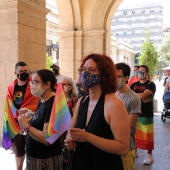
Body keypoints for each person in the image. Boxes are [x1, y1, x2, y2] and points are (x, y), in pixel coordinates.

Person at [64, 53, 130, 170]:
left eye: (92, 70)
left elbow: (123, 148)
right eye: (84, 69)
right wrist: (69, 141)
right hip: (80, 163)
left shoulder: (114, 104)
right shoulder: (81, 102)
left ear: (104, 75)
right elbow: (71, 131)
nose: (85, 73)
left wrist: (88, 137)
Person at [18, 69, 63, 170]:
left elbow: (47, 138)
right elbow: (41, 118)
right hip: (35, 156)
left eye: (35, 82)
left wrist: (26, 126)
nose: (32, 85)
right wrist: (30, 113)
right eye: (31, 82)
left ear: (47, 84)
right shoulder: (42, 100)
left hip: (45, 160)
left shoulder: (52, 103)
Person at [4, 61, 39, 170]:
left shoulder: (34, 85)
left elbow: (39, 102)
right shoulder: (11, 87)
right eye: (21, 71)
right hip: (15, 123)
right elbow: (8, 106)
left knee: (32, 150)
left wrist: (28, 111)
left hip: (31, 123)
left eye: (26, 71)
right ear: (15, 73)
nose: (24, 73)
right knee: (18, 151)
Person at [115, 62, 141, 170]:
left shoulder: (134, 98)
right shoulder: (111, 95)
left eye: (119, 76)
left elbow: (130, 127)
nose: (115, 79)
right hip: (110, 146)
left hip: (126, 147)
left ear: (126, 78)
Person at [130, 65, 156, 165]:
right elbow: (129, 95)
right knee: (134, 133)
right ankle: (134, 151)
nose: (140, 74)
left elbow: (144, 95)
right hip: (135, 112)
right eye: (138, 72)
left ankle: (150, 156)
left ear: (147, 73)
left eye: (142, 72)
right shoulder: (134, 84)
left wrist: (140, 95)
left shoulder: (151, 84)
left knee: (147, 135)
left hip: (146, 114)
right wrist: (141, 96)